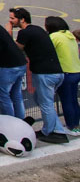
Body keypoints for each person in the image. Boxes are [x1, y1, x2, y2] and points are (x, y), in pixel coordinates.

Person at [10, 8, 67, 143]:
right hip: (56, 72)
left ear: (22, 19)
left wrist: (9, 31)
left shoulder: (25, 32)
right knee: (41, 100)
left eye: (12, 18)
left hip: (45, 74)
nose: (10, 21)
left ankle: (51, 132)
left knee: (45, 103)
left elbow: (15, 48)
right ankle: (56, 129)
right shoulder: (38, 29)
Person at [45, 16, 80, 135]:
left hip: (66, 72)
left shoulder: (54, 36)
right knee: (73, 100)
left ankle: (71, 127)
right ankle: (76, 125)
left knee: (66, 101)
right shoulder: (69, 35)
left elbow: (47, 50)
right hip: (76, 71)